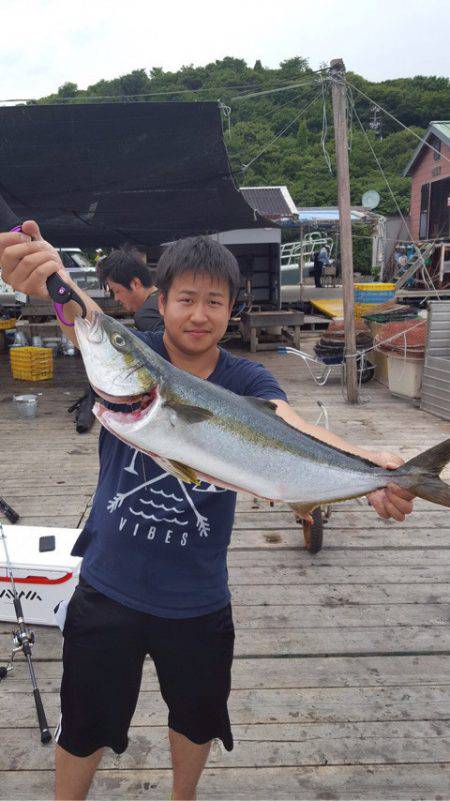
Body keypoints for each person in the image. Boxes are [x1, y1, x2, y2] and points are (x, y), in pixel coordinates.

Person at [0, 222, 415, 801]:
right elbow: (91, 323)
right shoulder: (138, 361)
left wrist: (370, 466)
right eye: (186, 300)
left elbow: (285, 422)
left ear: (232, 309)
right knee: (85, 720)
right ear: (160, 302)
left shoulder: (245, 377)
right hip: (106, 587)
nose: (199, 314)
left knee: (196, 720)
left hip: (197, 599)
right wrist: (52, 280)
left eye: (214, 302)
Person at [99, 247, 164, 332]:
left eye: (116, 291)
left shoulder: (146, 315)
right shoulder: (164, 298)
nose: (116, 298)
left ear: (135, 283)